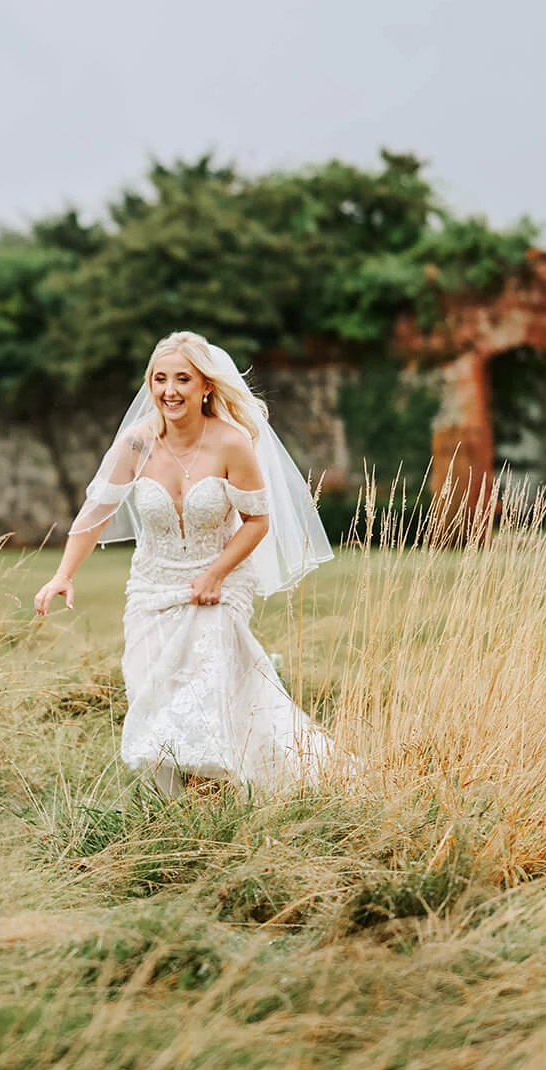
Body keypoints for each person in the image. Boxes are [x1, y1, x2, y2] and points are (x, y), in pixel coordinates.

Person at [32, 331, 347, 795]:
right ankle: (193, 799)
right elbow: (94, 513)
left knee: (202, 695)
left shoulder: (231, 444)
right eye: (160, 379)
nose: (169, 390)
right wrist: (63, 574)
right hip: (152, 589)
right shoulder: (136, 445)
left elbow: (256, 522)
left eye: (183, 378)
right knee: (153, 695)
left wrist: (215, 573)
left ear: (206, 386)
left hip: (219, 586)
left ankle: (209, 805)